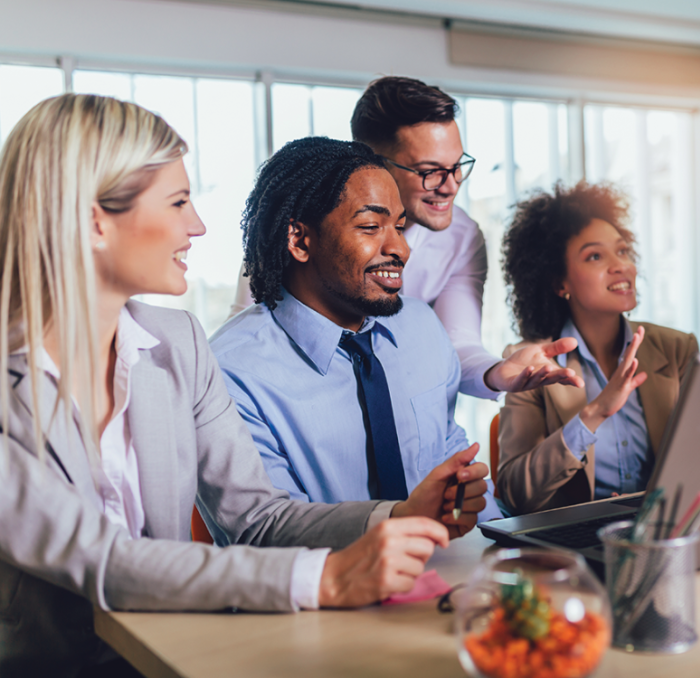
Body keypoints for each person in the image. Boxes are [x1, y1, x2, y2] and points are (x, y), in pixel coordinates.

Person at [0, 95, 489, 677]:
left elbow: (257, 519)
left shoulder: (177, 343)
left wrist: (394, 516)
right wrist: (326, 577)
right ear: (93, 221)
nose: (197, 226)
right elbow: (98, 558)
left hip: (174, 656)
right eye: (178, 202)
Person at [230, 76, 581, 398]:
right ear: (371, 160)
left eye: (458, 166)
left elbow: (457, 343)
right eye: (430, 172)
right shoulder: (302, 229)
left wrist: (497, 371)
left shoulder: (461, 237)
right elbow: (247, 337)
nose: (451, 185)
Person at [211, 137, 503, 523]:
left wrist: (504, 549)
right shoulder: (229, 371)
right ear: (299, 239)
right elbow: (265, 528)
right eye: (370, 226)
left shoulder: (421, 327)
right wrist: (395, 520)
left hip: (458, 573)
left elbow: (448, 448)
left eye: (399, 227)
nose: (400, 248)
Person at [495, 182, 699, 514]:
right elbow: (515, 490)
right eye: (595, 256)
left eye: (622, 251)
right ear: (560, 282)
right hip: (574, 547)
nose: (621, 265)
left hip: (662, 531)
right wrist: (593, 414)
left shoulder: (678, 349)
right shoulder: (531, 363)